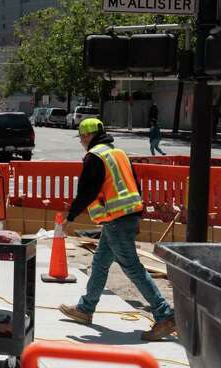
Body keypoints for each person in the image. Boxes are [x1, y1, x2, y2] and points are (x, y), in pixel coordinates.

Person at [58, 118, 176, 341]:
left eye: (82, 138)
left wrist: (70, 217)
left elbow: (87, 191)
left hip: (116, 219)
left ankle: (164, 314)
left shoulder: (95, 157)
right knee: (100, 262)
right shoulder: (119, 153)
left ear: (86, 136)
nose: (82, 142)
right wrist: (136, 214)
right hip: (126, 216)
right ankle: (85, 309)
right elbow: (135, 184)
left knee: (132, 268)